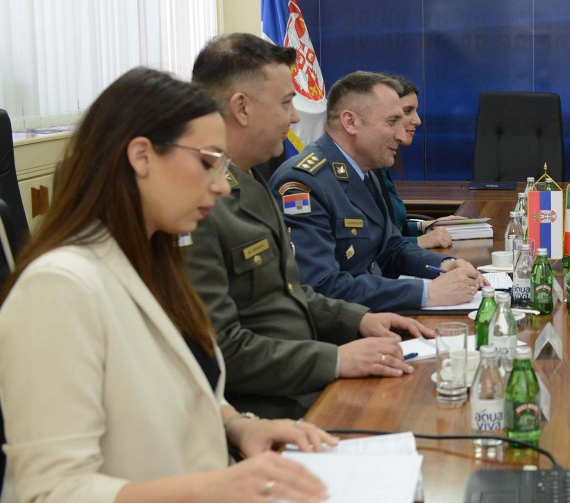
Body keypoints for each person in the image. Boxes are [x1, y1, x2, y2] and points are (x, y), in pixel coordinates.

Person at [0, 67, 333, 502]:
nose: (221, 186)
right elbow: (51, 490)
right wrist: (214, 487)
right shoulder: (58, 287)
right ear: (142, 156)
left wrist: (238, 425)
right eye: (208, 162)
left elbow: (178, 388)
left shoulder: (154, 261)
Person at [186, 34, 432, 420]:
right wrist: (335, 360)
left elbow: (291, 292)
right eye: (286, 102)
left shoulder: (249, 183)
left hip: (306, 374)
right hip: (272, 405)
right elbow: (219, 349)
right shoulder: (196, 205)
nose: (296, 118)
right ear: (242, 108)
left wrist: (359, 319)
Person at [269, 71, 484, 311]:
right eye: (392, 122)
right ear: (350, 122)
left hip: (375, 314)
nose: (401, 135)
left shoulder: (364, 170)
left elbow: (390, 248)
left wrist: (444, 264)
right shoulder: (303, 183)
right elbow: (320, 286)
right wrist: (426, 293)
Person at [374, 75, 460, 249]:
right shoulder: (364, 167)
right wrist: (419, 241)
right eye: (407, 111)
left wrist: (425, 226)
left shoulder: (381, 164)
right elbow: (368, 245)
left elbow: (393, 228)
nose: (418, 120)